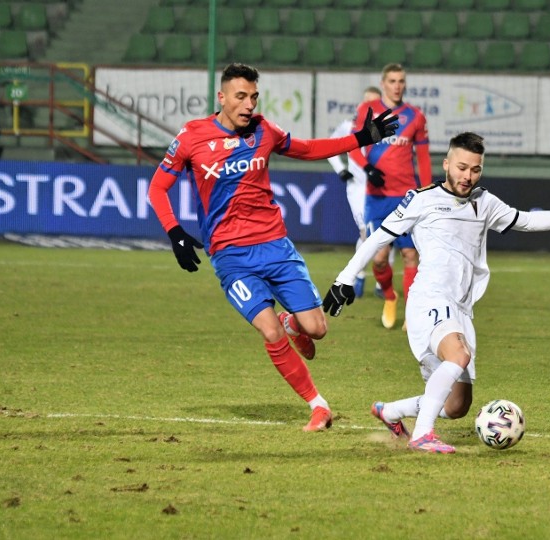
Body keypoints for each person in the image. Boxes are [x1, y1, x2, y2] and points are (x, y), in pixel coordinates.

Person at [323, 132, 550, 453]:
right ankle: (422, 435)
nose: (468, 176)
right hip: (431, 298)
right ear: (447, 164)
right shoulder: (421, 199)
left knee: (457, 405)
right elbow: (379, 237)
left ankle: (391, 411)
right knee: (459, 356)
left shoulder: (484, 202)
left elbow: (527, 220)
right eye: (462, 167)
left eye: (475, 169)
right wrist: (346, 277)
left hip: (461, 308)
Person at [147, 63, 398, 431]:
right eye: (241, 96)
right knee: (269, 331)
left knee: (317, 330)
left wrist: (361, 138)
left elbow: (309, 149)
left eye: (253, 97)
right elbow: (157, 188)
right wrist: (175, 232)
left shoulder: (264, 131)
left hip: (276, 247)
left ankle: (292, 323)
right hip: (231, 256)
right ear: (222, 97)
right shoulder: (192, 137)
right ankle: (318, 405)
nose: (249, 104)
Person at [348, 63, 432, 330]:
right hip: (377, 197)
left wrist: (427, 191)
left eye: (401, 81)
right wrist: (367, 167)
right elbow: (352, 147)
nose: (397, 86)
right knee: (380, 258)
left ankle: (412, 313)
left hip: (407, 197)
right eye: (392, 81)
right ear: (383, 83)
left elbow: (425, 158)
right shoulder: (366, 111)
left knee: (410, 255)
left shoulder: (415, 116)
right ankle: (389, 296)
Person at [327, 86, 382, 298]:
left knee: (386, 231)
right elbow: (332, 146)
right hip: (359, 188)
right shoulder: (349, 126)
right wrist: (341, 170)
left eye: (375, 102)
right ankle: (358, 275)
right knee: (365, 232)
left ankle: (380, 282)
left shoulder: (388, 130)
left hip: (381, 187)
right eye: (367, 101)